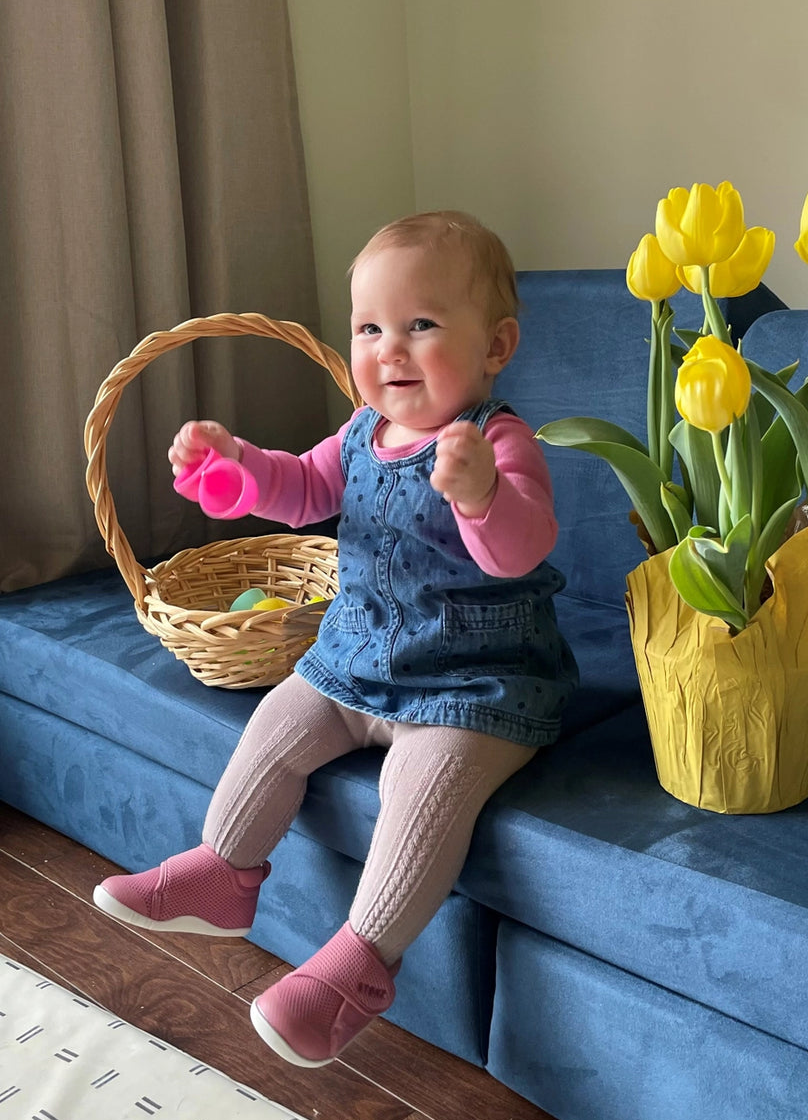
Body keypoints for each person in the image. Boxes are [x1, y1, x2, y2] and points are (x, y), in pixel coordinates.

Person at [94, 212, 578, 1067]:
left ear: (496, 344)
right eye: (368, 328)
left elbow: (523, 548)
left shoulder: (498, 440)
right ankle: (223, 871)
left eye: (420, 325)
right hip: (358, 657)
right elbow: (300, 488)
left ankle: (358, 967)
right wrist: (236, 465)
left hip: (476, 685)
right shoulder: (361, 433)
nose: (389, 350)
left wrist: (479, 497)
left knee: (421, 786)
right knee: (280, 724)